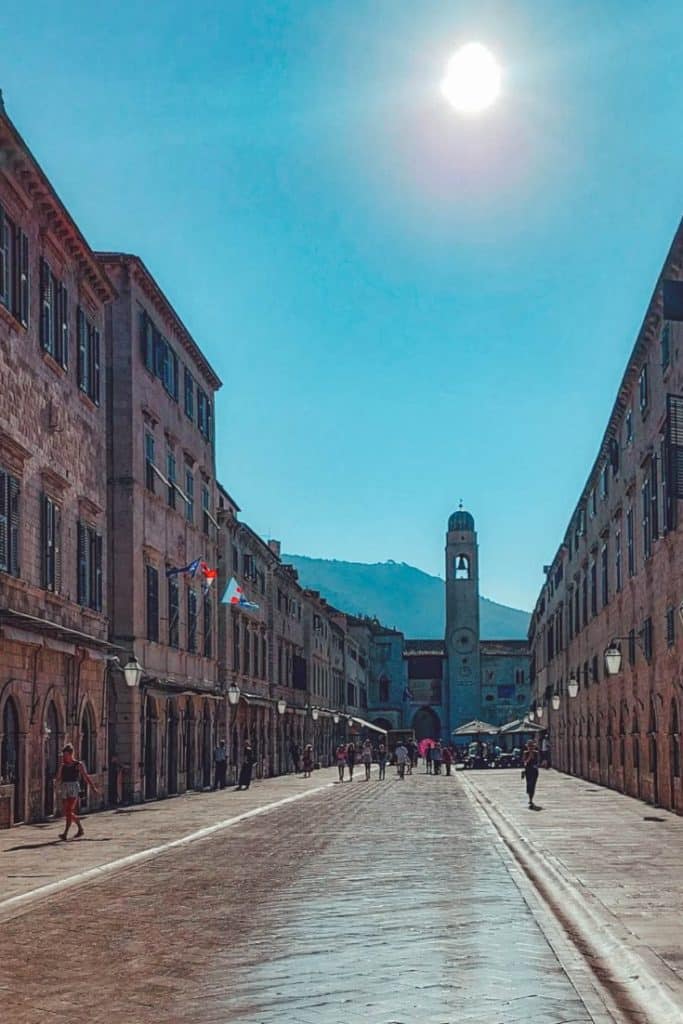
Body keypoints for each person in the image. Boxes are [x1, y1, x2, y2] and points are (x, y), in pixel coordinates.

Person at [55, 743, 99, 841]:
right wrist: (59, 774)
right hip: (65, 787)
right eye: (64, 755)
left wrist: (93, 788)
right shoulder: (63, 765)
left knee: (69, 810)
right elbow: (58, 777)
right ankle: (80, 828)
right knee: (67, 811)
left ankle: (65, 833)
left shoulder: (78, 764)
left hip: (74, 788)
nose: (65, 757)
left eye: (66, 755)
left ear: (71, 754)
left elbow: (85, 776)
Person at [523, 740, 540, 809]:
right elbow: (524, 762)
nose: (531, 748)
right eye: (529, 746)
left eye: (532, 746)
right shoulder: (525, 753)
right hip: (528, 770)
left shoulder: (536, 753)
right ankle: (529, 795)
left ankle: (531, 799)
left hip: (534, 770)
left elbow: (538, 761)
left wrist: (537, 765)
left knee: (533, 784)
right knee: (529, 784)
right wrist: (529, 757)